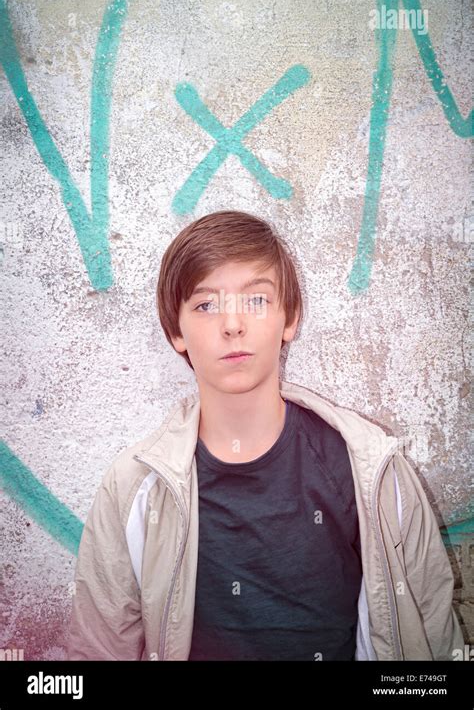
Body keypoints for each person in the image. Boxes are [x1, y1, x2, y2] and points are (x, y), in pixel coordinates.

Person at [67, 210, 464, 661]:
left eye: (256, 300)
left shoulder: (371, 471)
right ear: (177, 331)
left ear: (289, 318)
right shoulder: (134, 489)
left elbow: (431, 643)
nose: (232, 324)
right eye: (206, 304)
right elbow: (97, 652)